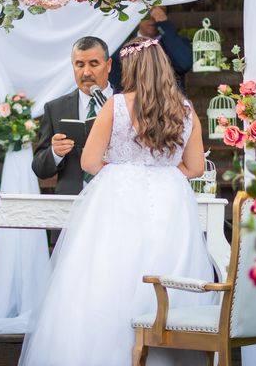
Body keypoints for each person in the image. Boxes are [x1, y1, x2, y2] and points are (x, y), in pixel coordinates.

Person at [19, 37, 215, 366]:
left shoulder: (118, 105)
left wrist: (125, 171)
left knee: (107, 278)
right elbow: (195, 167)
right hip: (170, 204)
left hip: (119, 201)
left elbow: (90, 162)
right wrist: (161, 172)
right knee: (168, 276)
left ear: (130, 68)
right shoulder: (185, 110)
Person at [31, 36, 113, 194]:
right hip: (71, 202)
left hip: (115, 198)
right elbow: (39, 169)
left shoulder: (127, 103)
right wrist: (55, 152)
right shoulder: (55, 108)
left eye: (94, 64)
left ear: (108, 65)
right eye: (79, 65)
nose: (86, 72)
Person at [109, 6, 192, 93]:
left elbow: (184, 64)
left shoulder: (174, 43)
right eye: (147, 12)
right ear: (137, 15)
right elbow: (116, 86)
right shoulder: (121, 48)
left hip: (168, 103)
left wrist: (164, 23)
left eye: (159, 12)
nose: (153, 17)